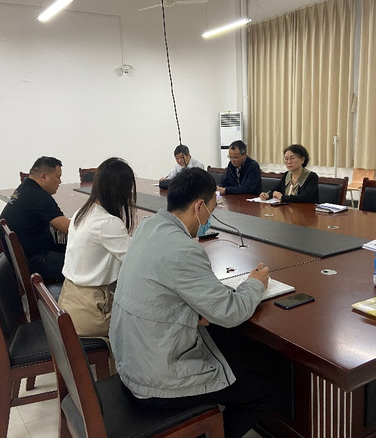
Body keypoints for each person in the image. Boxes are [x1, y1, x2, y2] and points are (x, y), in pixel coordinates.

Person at [110, 167, 273, 438]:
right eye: (211, 210)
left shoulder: (148, 227)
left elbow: (162, 289)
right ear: (199, 206)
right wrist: (255, 283)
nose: (210, 219)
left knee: (229, 348)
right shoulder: (184, 250)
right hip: (156, 378)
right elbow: (231, 313)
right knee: (264, 391)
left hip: (132, 360)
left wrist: (194, 309)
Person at [59, 157, 136, 339]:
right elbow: (137, 263)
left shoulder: (82, 213)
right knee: (146, 322)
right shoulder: (108, 223)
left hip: (69, 300)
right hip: (90, 310)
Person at [0, 156, 70, 284]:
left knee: (76, 250)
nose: (60, 182)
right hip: (34, 261)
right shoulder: (37, 195)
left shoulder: (24, 188)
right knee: (84, 262)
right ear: (44, 177)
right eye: (58, 177)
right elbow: (67, 228)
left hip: (20, 258)